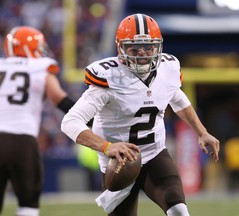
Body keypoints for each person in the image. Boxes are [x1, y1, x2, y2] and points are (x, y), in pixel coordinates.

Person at [61, 13, 220, 216]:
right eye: (134, 48)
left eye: (148, 47)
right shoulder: (109, 78)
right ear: (121, 48)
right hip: (119, 163)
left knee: (179, 210)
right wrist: (107, 146)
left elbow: (177, 98)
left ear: (158, 46)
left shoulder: (167, 68)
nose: (142, 53)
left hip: (155, 154)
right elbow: (70, 122)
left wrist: (202, 131)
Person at [0, 26, 76, 216]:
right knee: (28, 201)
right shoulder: (40, 67)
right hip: (22, 139)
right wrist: (87, 118)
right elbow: (59, 98)